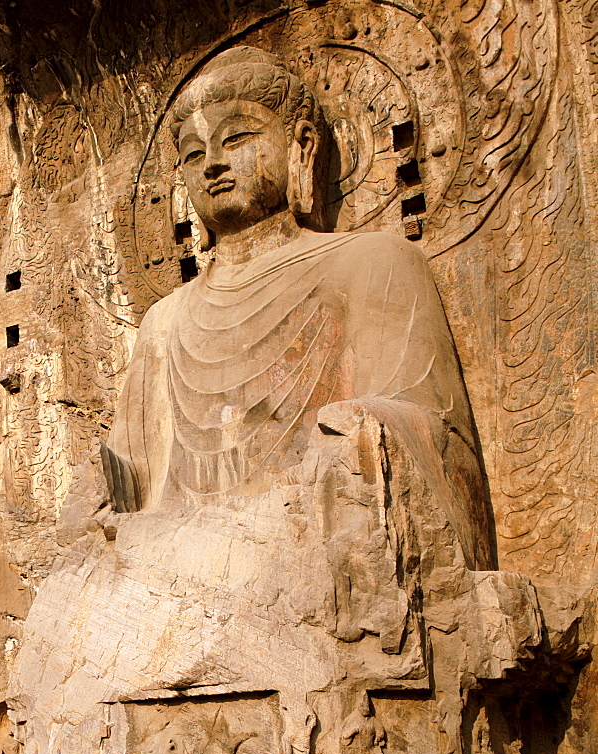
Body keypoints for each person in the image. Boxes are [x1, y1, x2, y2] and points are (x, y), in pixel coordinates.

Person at [103, 45, 491, 572]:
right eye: (194, 154)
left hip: (317, 560)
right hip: (177, 571)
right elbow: (133, 480)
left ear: (301, 146)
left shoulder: (374, 262)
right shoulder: (162, 322)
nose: (213, 163)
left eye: (236, 138)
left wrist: (363, 429)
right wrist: (100, 488)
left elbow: (440, 447)